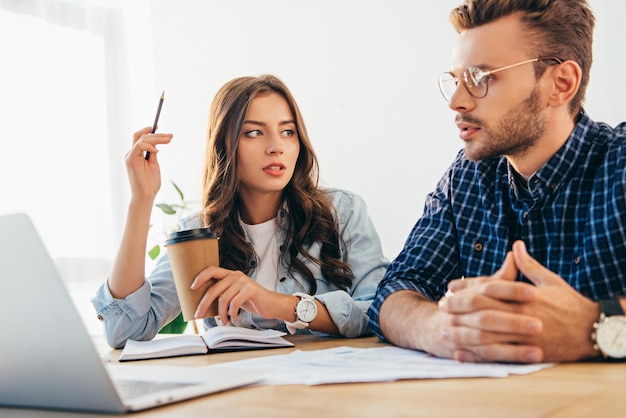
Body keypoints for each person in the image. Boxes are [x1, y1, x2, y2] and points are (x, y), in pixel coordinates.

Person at [368, 0, 626, 364]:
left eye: (481, 78)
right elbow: (394, 291)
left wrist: (594, 327)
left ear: (561, 84)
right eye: (457, 80)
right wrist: (440, 328)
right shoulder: (468, 175)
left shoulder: (619, 164)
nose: (457, 101)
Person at [93, 75, 388, 348]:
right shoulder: (199, 231)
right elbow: (124, 331)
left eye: (288, 131)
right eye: (255, 132)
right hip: (240, 390)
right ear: (225, 144)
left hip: (328, 387)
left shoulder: (342, 211)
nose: (276, 147)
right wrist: (141, 199)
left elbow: (380, 310)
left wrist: (277, 304)